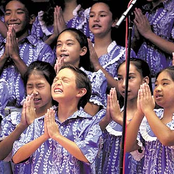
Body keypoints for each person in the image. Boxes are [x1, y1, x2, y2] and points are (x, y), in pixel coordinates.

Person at [12, 64, 105, 174]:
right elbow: (16, 157)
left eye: (65, 80)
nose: (57, 82)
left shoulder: (89, 124)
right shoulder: (40, 122)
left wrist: (56, 136)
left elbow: (87, 155)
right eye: (56, 80)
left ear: (80, 92)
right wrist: (44, 136)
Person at [0, 0, 56, 117]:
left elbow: (41, 84)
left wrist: (16, 57)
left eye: (19, 12)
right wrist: (5, 56)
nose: (12, 18)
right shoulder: (1, 48)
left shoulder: (42, 50)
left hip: (28, 117)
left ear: (31, 19)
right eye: (8, 13)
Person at [96, 58, 152, 174]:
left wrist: (119, 119)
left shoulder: (153, 117)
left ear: (145, 81)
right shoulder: (109, 113)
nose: (124, 84)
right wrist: (107, 119)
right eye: (120, 79)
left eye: (130, 77)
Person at [0, 60, 56, 173]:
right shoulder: (14, 119)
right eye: (30, 86)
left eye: (40, 86)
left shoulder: (60, 117)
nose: (34, 92)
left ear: (52, 86)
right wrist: (21, 126)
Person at [126, 66, 174, 173]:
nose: (157, 88)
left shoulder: (151, 114)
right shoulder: (152, 116)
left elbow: (167, 138)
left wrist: (148, 110)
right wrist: (139, 112)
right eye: (156, 84)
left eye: (165, 83)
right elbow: (127, 146)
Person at [54, 28, 107, 115]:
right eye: (59, 44)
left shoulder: (94, 78)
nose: (62, 48)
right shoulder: (52, 76)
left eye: (69, 44)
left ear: (82, 51)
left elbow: (91, 111)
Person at [88, 0, 137, 92]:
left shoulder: (124, 54)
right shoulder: (82, 50)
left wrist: (97, 66)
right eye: (92, 15)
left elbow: (127, 91)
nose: (96, 19)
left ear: (114, 21)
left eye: (102, 15)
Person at [131, 0, 174, 78]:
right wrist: (136, 38)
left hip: (166, 78)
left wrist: (148, 33)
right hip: (141, 77)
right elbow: (131, 50)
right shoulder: (144, 9)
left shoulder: (172, 9)